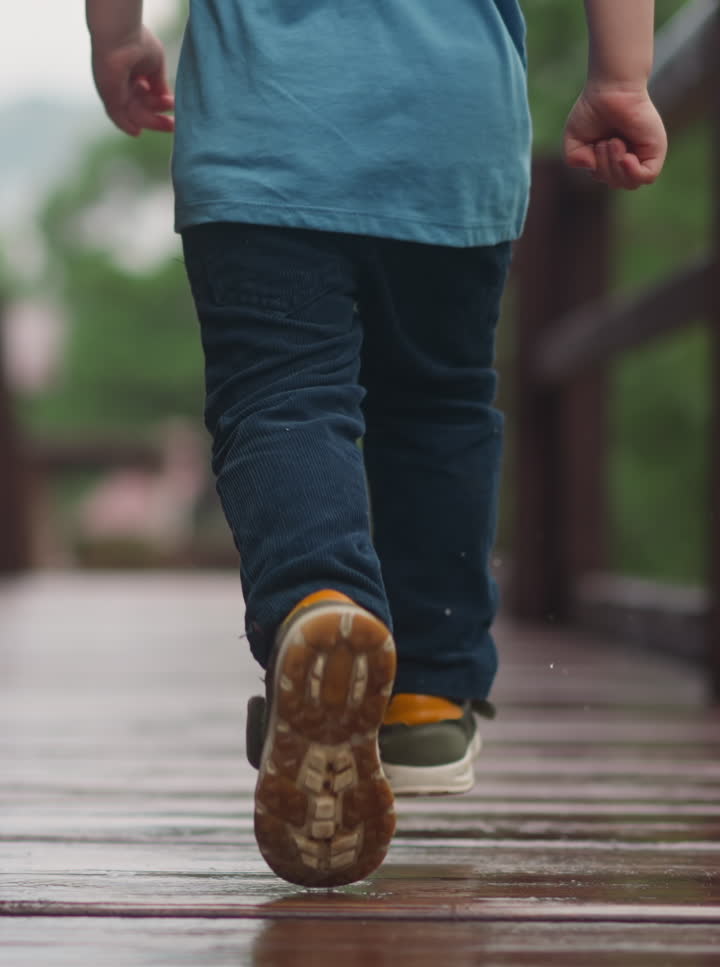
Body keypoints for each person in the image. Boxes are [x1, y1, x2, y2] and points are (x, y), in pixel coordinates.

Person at [87, 0, 668, 889]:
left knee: (279, 396)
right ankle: (425, 699)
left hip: (262, 133)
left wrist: (116, 33)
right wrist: (621, 77)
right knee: (438, 406)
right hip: (452, 132)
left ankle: (321, 601)